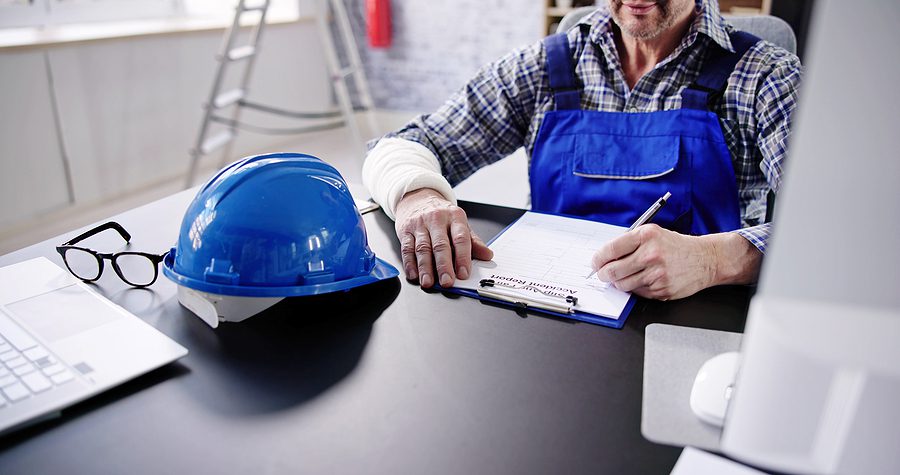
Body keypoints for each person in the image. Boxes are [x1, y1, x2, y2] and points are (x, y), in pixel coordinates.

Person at [362, 0, 801, 301]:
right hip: (552, 317)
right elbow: (403, 145)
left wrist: (715, 260)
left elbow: (838, 234)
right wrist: (418, 196)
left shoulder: (766, 77)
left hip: (694, 324)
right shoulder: (544, 68)